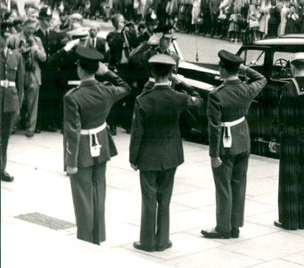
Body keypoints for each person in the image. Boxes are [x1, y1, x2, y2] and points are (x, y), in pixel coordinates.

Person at [129, 54, 202, 252]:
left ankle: (147, 241)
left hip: (147, 156)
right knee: (165, 199)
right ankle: (162, 239)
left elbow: (137, 133)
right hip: (171, 155)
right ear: (171, 74)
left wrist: (133, 158)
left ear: (152, 72)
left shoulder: (143, 99)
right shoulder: (178, 98)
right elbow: (199, 100)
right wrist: (183, 83)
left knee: (149, 199)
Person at [63, 46, 131, 244]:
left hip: (82, 151)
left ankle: (85, 239)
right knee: (99, 192)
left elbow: (72, 133)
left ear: (80, 69)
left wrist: (70, 161)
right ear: (96, 69)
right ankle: (98, 237)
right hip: (101, 145)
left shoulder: (72, 97)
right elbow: (126, 87)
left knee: (83, 197)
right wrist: (108, 72)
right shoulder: (106, 90)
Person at [201, 50, 267, 240]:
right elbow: (262, 78)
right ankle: (235, 226)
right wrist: (245, 69)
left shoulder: (216, 95)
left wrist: (214, 154)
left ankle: (222, 227)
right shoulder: (247, 89)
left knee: (223, 186)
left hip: (225, 143)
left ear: (222, 69)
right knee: (239, 184)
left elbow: (214, 128)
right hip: (243, 139)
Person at [271, 53, 304, 230]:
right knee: (303, 177)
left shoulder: (289, 88)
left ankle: (289, 220)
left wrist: (274, 137)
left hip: (291, 137)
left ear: (293, 67)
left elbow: (281, 116)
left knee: (289, 178)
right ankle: (302, 219)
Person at [14, 19, 47, 137]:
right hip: (19, 72)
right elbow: (9, 54)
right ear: (23, 26)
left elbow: (44, 58)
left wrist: (36, 49)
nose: (31, 31)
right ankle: (13, 125)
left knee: (32, 102)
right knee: (17, 99)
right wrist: (20, 51)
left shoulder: (37, 40)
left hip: (33, 72)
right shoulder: (15, 38)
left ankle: (30, 128)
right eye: (29, 28)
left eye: (33, 29)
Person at [1, 29, 25, 182]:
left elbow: (20, 83)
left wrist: (19, 104)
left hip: (10, 101)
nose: (6, 38)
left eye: (7, 36)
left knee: (4, 137)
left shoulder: (16, 56)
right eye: (3, 36)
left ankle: (1, 168)